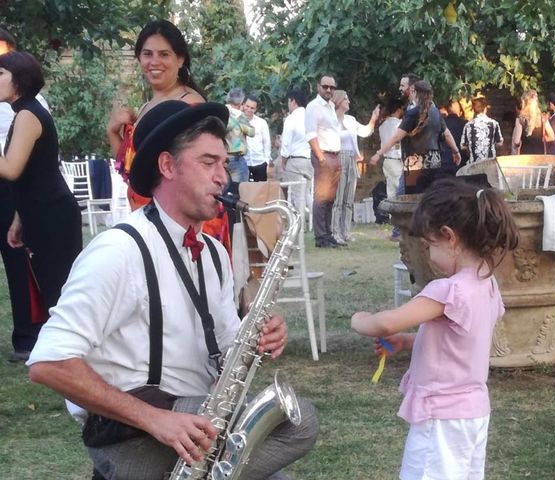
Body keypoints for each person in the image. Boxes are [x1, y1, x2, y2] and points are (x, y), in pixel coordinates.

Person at [27, 100, 319, 480]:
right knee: (293, 434)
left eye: (224, 164)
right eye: (208, 162)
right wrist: (157, 420)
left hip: (193, 423)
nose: (223, 178)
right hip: (132, 436)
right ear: (167, 166)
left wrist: (257, 337)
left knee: (299, 423)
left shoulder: (212, 252)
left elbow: (229, 344)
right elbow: (48, 363)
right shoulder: (118, 251)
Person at [351, 178, 519, 480]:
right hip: (472, 415)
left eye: (429, 245)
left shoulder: (448, 290)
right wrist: (407, 341)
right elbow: (459, 345)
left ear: (450, 237)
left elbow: (387, 321)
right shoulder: (486, 284)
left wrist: (360, 319)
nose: (428, 254)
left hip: (442, 417)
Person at [0, 50, 83, 360]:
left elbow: (10, 169)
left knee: (60, 288)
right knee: (51, 289)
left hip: (52, 215)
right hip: (39, 212)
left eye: (0, 75)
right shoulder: (25, 112)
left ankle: (71, 357)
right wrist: (19, 220)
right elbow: (32, 172)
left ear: (18, 80)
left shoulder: (27, 115)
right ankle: (64, 355)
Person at [106, 19, 206, 210]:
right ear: (139, 58)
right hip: (148, 219)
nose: (154, 62)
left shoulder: (190, 105)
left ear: (180, 59)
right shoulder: (146, 107)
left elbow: (197, 174)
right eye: (147, 54)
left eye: (164, 54)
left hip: (181, 222)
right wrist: (112, 132)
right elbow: (132, 172)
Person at [370, 80, 461, 195]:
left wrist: (379, 153)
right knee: (430, 195)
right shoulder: (436, 112)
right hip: (434, 160)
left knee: (413, 196)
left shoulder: (412, 113)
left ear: (414, 92)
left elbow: (397, 137)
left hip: (414, 161)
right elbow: (446, 134)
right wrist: (455, 151)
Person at [331, 89, 379, 244]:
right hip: (338, 158)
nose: (349, 101)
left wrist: (373, 119)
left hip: (351, 159)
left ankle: (346, 232)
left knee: (348, 198)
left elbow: (365, 132)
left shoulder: (351, 120)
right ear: (339, 101)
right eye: (346, 99)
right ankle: (335, 232)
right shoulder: (330, 120)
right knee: (338, 198)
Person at [305, 73, 342, 248]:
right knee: (321, 197)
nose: (328, 90)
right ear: (318, 86)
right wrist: (320, 157)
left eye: (331, 87)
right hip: (324, 155)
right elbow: (311, 134)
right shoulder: (314, 106)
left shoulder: (330, 106)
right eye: (325, 86)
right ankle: (321, 237)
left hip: (334, 155)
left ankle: (328, 234)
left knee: (330, 198)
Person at [371, 98, 404, 239]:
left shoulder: (383, 125)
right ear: (398, 109)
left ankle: (395, 226)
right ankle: (399, 228)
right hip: (396, 160)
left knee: (391, 194)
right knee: (400, 194)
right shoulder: (399, 124)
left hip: (387, 161)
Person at [280, 88, 312, 214]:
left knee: (296, 194)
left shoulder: (291, 118)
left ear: (293, 101)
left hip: (295, 160)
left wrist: (283, 160)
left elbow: (286, 143)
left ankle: (300, 225)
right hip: (309, 160)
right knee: (307, 193)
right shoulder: (310, 117)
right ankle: (314, 223)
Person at [461, 95, 504, 164]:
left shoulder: (468, 125)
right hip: (490, 163)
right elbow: (500, 143)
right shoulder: (494, 124)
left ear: (474, 110)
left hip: (473, 164)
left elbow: (463, 146)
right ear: (485, 108)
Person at [225, 87, 254, 183]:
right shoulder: (239, 116)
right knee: (241, 190)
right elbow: (251, 132)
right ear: (241, 102)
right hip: (236, 158)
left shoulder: (222, 112)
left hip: (224, 157)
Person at [511, 90, 555, 155]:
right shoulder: (543, 118)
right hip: (540, 156)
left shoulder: (520, 120)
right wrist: (541, 140)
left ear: (524, 103)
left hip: (525, 157)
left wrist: (517, 145)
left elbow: (516, 141)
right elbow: (552, 137)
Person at [243, 94, 272, 182]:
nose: (249, 109)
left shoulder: (261, 123)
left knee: (261, 193)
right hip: (244, 163)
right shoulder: (237, 121)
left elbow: (267, 143)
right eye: (247, 106)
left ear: (255, 109)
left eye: (252, 108)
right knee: (244, 192)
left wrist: (266, 162)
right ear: (243, 105)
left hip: (259, 163)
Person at [441, 99, 468, 172]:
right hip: (462, 163)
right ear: (459, 111)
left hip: (444, 161)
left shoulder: (441, 124)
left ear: (447, 110)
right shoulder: (466, 124)